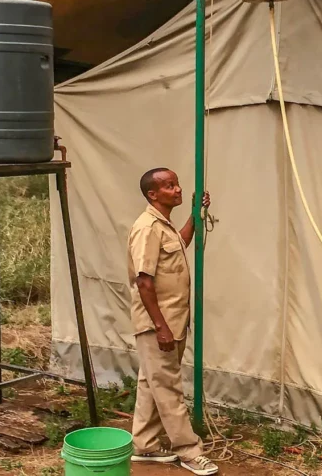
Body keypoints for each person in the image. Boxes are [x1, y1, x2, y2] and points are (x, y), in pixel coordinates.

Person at [127, 167, 218, 476]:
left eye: (177, 184)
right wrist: (160, 327)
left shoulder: (163, 226)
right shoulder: (147, 228)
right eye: (169, 186)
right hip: (159, 325)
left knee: (151, 383)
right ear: (152, 194)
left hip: (173, 321)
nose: (177, 189)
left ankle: (144, 444)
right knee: (168, 388)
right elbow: (144, 281)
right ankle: (189, 451)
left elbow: (180, 243)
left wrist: (195, 213)